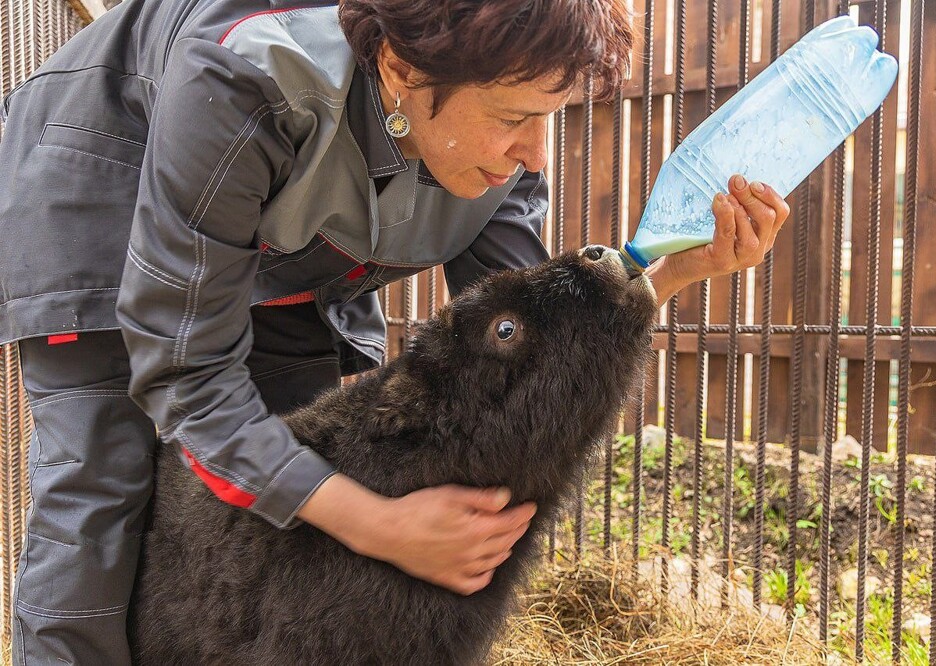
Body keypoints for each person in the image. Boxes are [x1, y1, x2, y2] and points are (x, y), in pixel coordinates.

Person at [0, 0, 790, 663]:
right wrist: (377, 524)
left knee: (281, 504)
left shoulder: (498, 142)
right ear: (406, 73)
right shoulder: (247, 73)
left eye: (551, 117)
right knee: (101, 490)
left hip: (285, 247)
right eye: (515, 118)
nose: (535, 154)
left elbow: (522, 337)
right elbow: (188, 375)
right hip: (108, 197)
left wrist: (676, 271)